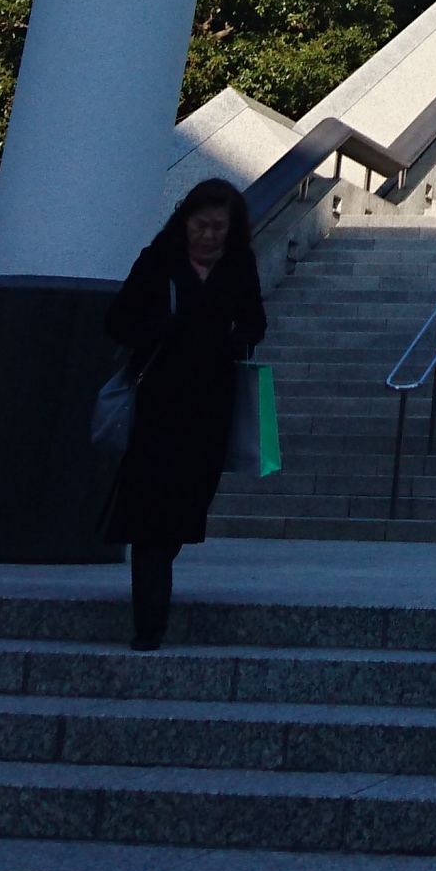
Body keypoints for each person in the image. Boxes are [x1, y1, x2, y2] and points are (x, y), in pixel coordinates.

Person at [100, 178, 267, 651]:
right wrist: (160, 330)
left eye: (218, 227)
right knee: (150, 515)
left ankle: (156, 585)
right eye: (200, 225)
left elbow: (256, 319)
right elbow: (117, 320)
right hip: (157, 403)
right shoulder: (158, 261)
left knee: (183, 509)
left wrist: (238, 341)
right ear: (185, 221)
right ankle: (149, 622)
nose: (208, 235)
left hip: (211, 405)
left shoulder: (240, 265)